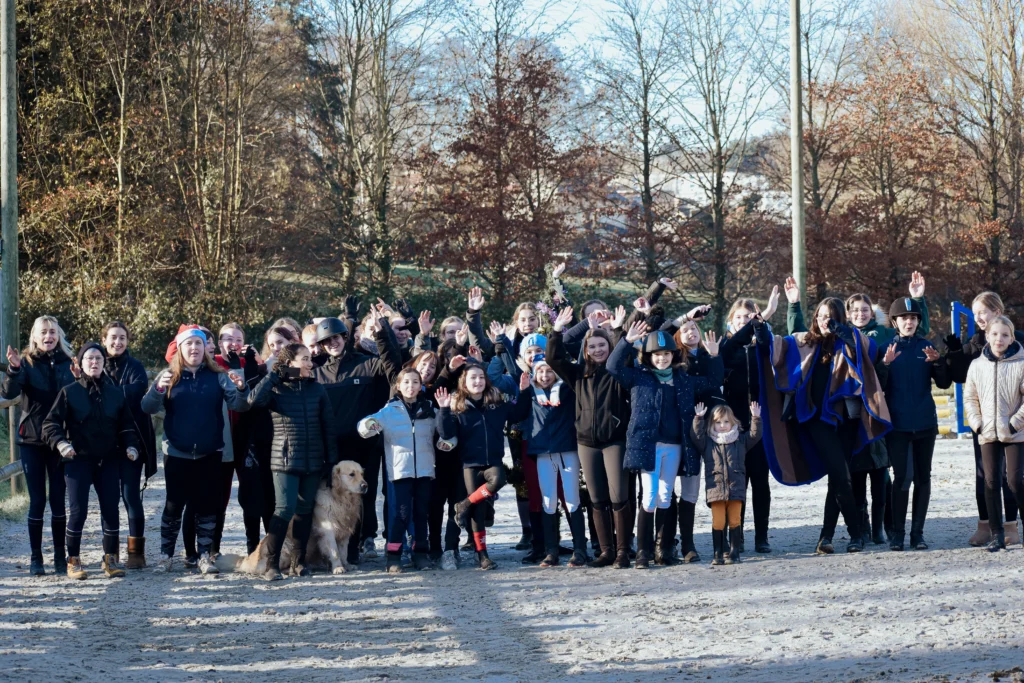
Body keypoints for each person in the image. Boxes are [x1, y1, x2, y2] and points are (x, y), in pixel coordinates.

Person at [767, 294, 891, 554]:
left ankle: (827, 536)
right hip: (815, 420)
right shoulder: (806, 342)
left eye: (831, 317)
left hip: (846, 419)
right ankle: (854, 534)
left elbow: (868, 350)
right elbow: (776, 347)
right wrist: (764, 321)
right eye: (822, 316)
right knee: (840, 476)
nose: (825, 321)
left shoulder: (850, 341)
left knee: (838, 479)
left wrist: (841, 331)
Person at [607, 321, 723, 569]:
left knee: (665, 496)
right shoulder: (638, 377)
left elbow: (714, 380)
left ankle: (662, 549)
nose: (662, 359)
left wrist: (714, 356)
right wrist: (626, 341)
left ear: (674, 355)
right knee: (649, 497)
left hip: (674, 446)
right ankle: (643, 551)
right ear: (649, 356)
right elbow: (612, 366)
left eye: (667, 354)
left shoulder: (684, 379)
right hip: (647, 446)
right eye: (657, 355)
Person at [142, 326, 251, 575]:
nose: (194, 348)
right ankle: (166, 556)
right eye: (189, 344)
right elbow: (147, 407)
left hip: (209, 452)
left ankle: (204, 556)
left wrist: (242, 389)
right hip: (177, 453)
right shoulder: (169, 376)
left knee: (207, 506)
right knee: (173, 506)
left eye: (198, 344)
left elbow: (240, 406)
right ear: (180, 349)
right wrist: (158, 389)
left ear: (205, 349)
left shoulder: (218, 376)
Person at [42, 343, 141, 579]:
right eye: (89, 359)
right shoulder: (69, 392)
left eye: (98, 358)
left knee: (111, 510)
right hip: (78, 460)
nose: (94, 362)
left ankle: (110, 559)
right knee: (78, 512)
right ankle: (73, 560)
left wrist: (131, 445)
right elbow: (50, 424)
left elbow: (127, 425)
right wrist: (61, 444)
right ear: (80, 363)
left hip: (108, 459)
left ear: (104, 362)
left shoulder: (116, 393)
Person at [314, 310, 402, 563]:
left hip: (364, 447)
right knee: (334, 497)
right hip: (332, 447)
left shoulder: (367, 363)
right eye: (326, 340)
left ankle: (354, 549)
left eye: (336, 337)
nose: (332, 343)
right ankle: (330, 552)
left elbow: (393, 367)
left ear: (345, 337)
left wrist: (383, 333)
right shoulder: (317, 373)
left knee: (363, 497)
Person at [248, 343, 339, 579]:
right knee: (284, 509)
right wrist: (274, 376)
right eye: (304, 359)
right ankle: (271, 565)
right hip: (284, 460)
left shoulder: (317, 389)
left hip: (313, 461)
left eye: (310, 358)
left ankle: (299, 562)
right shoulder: (276, 389)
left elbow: (328, 426)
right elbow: (253, 401)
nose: (310, 363)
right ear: (290, 363)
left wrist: (331, 461)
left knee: (304, 511)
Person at [2, 316, 77, 576]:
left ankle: (59, 556)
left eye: (52, 332)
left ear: (59, 336)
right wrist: (13, 369)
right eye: (43, 332)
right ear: (34, 336)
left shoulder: (69, 364)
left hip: (60, 441)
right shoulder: (25, 363)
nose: (48, 336)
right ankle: (36, 557)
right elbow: (9, 393)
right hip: (32, 440)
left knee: (58, 499)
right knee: (37, 501)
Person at [950, 291, 1024, 547]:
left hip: (1013, 425)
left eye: (983, 312)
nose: (979, 317)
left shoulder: (1018, 346)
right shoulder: (974, 345)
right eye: (975, 313)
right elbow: (963, 384)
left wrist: (1016, 422)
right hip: (985, 425)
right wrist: (977, 423)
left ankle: (1012, 525)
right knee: (986, 477)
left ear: (997, 311)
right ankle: (990, 529)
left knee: (1012, 478)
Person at [881, 297, 952, 551]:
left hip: (925, 423)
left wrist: (939, 363)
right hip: (897, 425)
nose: (908, 322)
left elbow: (943, 383)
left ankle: (917, 534)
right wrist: (885, 365)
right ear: (895, 322)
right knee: (903, 477)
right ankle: (897, 534)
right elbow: (878, 385)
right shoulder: (886, 348)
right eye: (904, 318)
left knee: (923, 477)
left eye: (913, 318)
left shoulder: (926, 346)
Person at [358, 367, 442, 573]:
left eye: (415, 382)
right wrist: (369, 424)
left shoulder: (430, 409)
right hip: (400, 472)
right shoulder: (389, 411)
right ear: (398, 386)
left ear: (421, 386)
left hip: (424, 471)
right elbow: (363, 427)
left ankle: (420, 554)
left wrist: (448, 440)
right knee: (401, 514)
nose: (410, 386)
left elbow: (445, 430)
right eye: (406, 382)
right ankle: (393, 555)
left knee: (421, 513)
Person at [510, 355, 588, 568]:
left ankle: (580, 549)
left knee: (571, 500)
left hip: (567, 450)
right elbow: (516, 415)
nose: (545, 376)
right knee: (548, 501)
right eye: (541, 371)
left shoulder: (567, 389)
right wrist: (523, 391)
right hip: (543, 452)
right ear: (534, 373)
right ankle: (551, 550)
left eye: (549, 371)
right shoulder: (531, 393)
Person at [717, 290, 779, 554]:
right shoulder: (723, 346)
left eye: (748, 317)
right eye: (739, 317)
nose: (744, 321)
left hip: (758, 424)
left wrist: (763, 322)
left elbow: (767, 344)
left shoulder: (761, 344)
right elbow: (727, 351)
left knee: (760, 482)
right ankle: (736, 536)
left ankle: (762, 536)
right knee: (735, 484)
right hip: (731, 426)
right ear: (730, 320)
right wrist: (763, 316)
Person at [436, 364, 515, 570]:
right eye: (473, 378)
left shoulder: (496, 402)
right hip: (468, 465)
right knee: (477, 511)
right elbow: (446, 433)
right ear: (464, 382)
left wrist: (523, 391)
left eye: (481, 377)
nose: (478, 381)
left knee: (498, 480)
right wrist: (444, 409)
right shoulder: (458, 405)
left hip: (492, 462)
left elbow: (518, 413)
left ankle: (464, 505)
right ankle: (480, 554)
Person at [101, 321, 157, 569]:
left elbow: (136, 392)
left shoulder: (135, 366)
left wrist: (106, 393)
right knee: (108, 498)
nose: (117, 342)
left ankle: (136, 553)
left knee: (130, 495)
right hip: (104, 442)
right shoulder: (97, 363)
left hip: (132, 440)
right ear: (104, 340)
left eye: (122, 337)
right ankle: (110, 552)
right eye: (113, 337)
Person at [690, 401, 762, 565]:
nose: (722, 425)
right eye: (718, 422)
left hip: (736, 489)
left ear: (733, 422)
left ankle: (734, 552)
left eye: (726, 421)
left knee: (735, 520)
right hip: (716, 490)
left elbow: (754, 435)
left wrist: (756, 418)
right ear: (712, 424)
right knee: (718, 521)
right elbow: (696, 436)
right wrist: (698, 418)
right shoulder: (708, 443)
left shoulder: (740, 441)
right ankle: (718, 553)